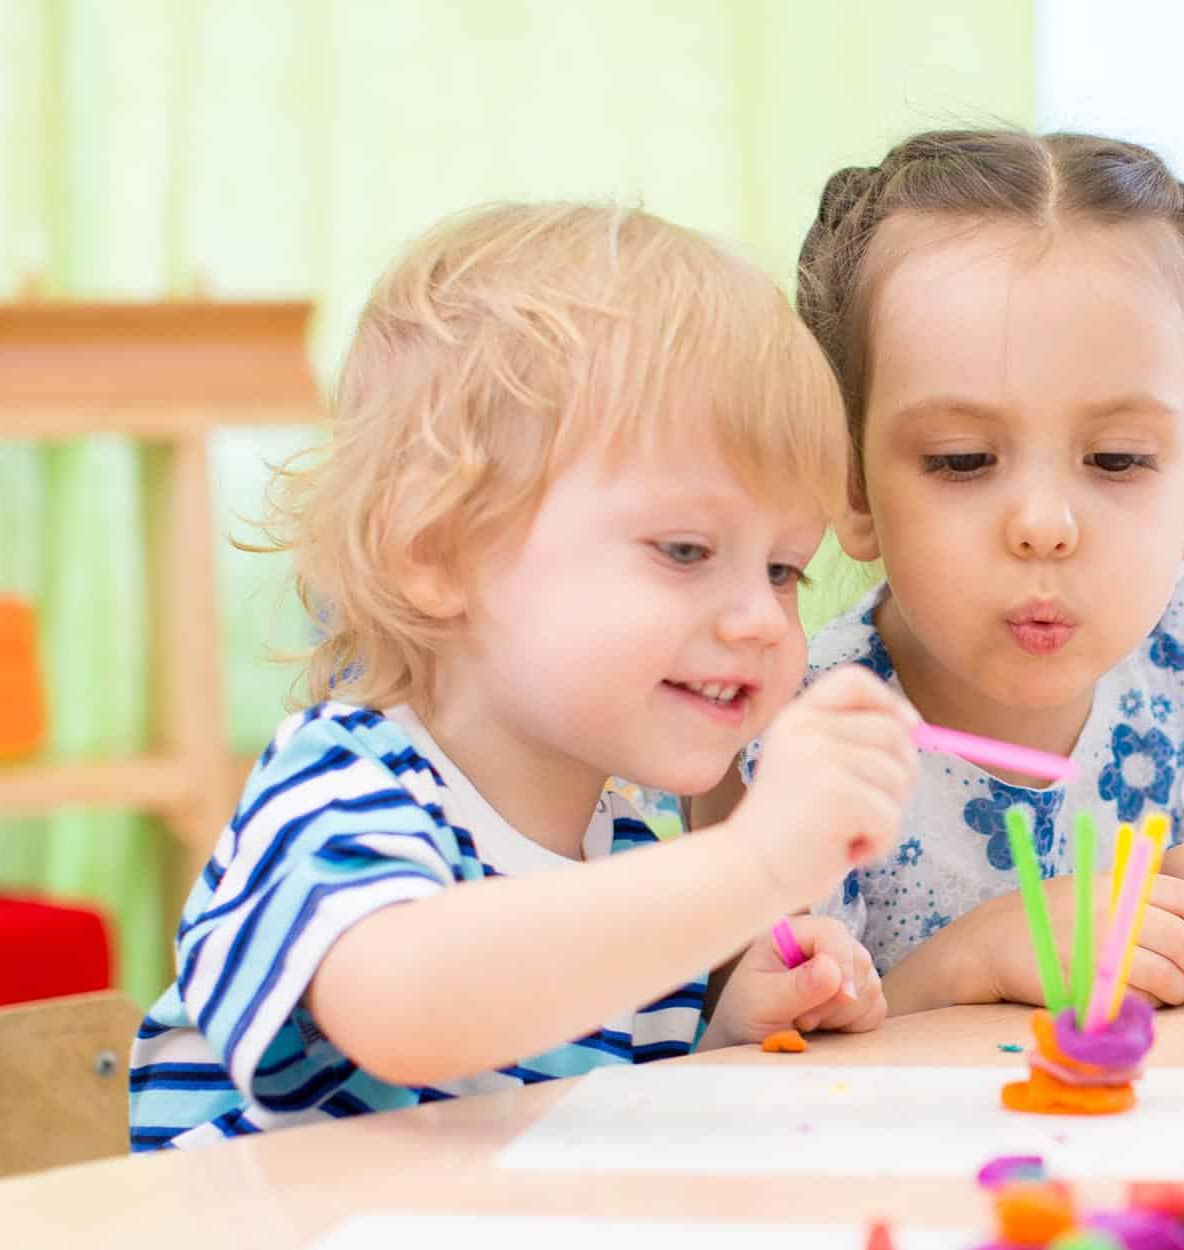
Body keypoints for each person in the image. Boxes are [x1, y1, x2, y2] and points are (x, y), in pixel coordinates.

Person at [128, 202, 919, 1149]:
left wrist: (725, 1034)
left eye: (783, 569)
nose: (759, 618)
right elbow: (411, 1013)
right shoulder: (344, 785)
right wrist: (752, 865)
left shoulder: (630, 841)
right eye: (684, 549)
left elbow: (557, 1119)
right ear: (435, 550)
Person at [707, 129, 1184, 1016]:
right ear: (850, 480)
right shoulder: (793, 751)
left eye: (1114, 459)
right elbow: (754, 1062)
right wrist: (978, 958)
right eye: (960, 460)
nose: (1043, 527)